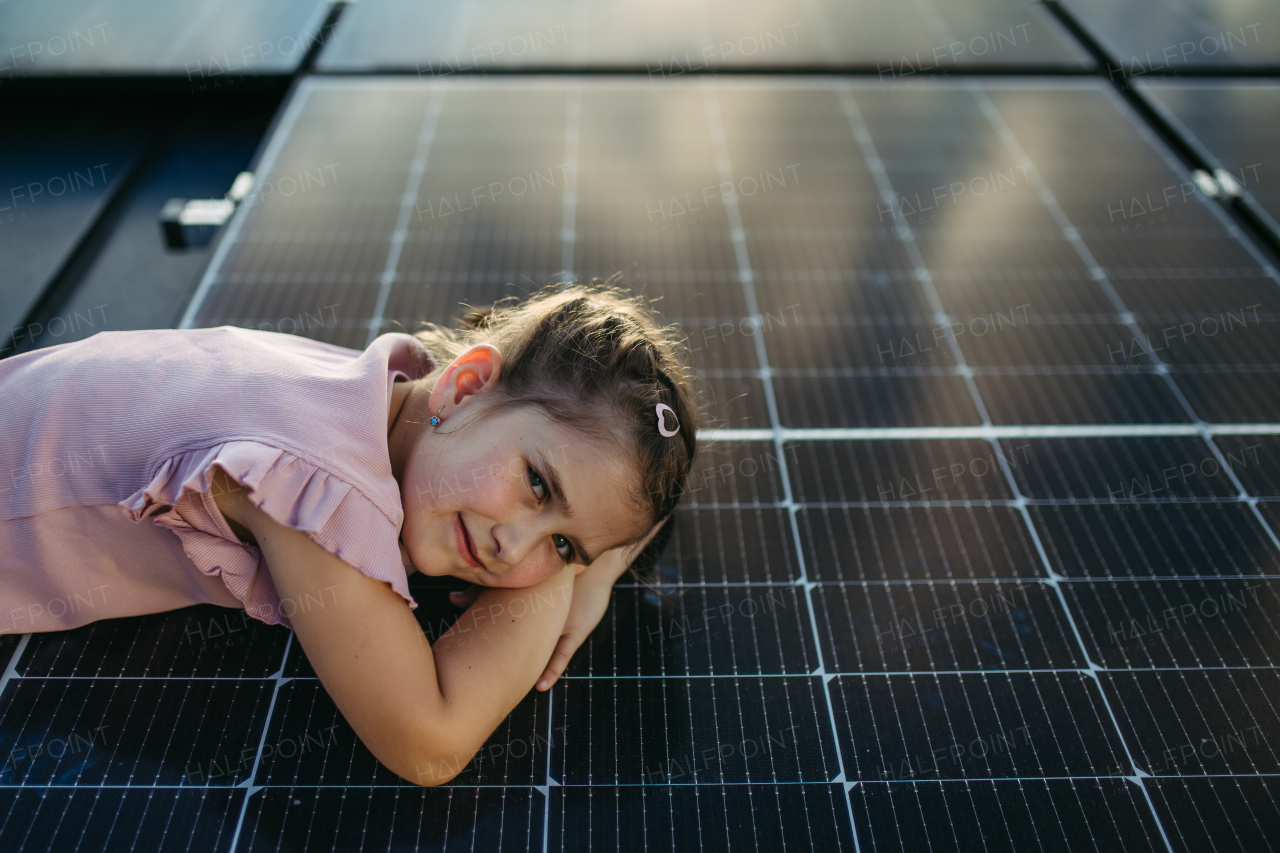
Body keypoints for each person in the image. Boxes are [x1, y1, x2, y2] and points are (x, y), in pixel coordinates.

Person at [0, 283, 699, 786]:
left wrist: (598, 563)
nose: (513, 547)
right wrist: (572, 577)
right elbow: (431, 741)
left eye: (562, 543)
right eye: (538, 484)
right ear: (464, 385)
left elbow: (632, 482)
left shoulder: (391, 393)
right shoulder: (315, 482)